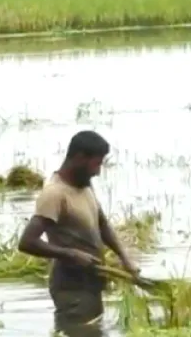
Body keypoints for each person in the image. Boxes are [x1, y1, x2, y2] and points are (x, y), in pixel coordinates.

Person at [17, 130, 140, 326]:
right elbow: (27, 242)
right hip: (71, 288)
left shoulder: (85, 185)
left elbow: (102, 223)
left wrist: (124, 257)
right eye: (96, 164)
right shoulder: (55, 194)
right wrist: (70, 254)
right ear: (80, 158)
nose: (98, 171)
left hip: (91, 282)